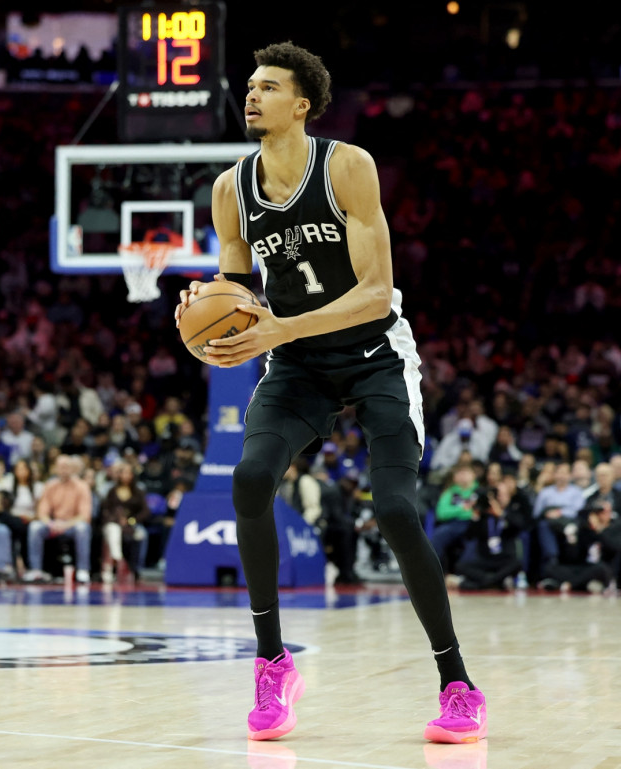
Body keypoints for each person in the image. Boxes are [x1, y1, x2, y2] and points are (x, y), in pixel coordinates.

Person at [175, 42, 484, 744]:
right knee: (250, 478)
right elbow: (238, 294)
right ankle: (272, 662)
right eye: (249, 86)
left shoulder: (347, 166)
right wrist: (205, 307)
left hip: (375, 354)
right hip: (296, 364)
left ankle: (457, 681)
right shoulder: (230, 189)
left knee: (398, 509)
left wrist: (279, 324)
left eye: (267, 87)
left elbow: (375, 295)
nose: (251, 95)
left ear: (302, 104)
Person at [23, 455, 93, 584]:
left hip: (72, 525)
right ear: (55, 469)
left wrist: (65, 525)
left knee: (83, 528)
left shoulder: (82, 486)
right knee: (35, 527)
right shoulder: (50, 485)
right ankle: (36, 570)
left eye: (66, 467)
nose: (64, 470)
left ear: (72, 469)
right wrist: (50, 523)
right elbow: (42, 512)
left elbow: (85, 515)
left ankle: (83, 570)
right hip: (53, 524)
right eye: (60, 467)